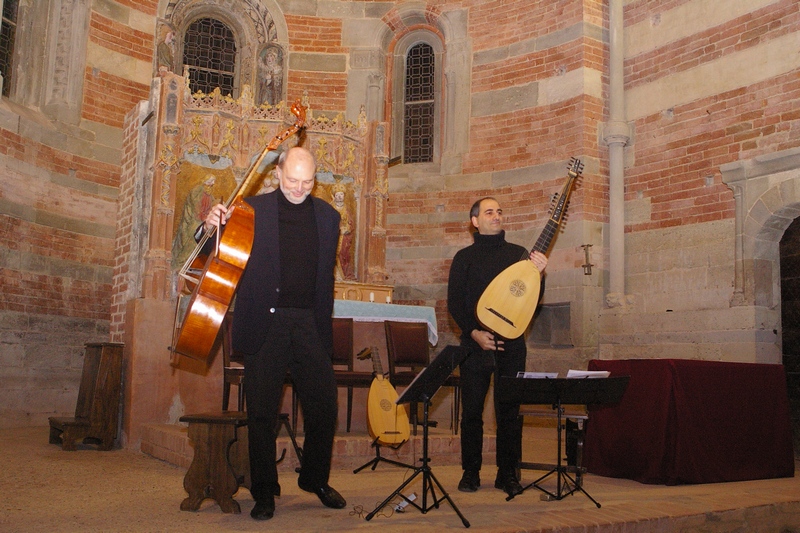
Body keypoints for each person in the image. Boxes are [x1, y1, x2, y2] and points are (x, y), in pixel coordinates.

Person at [201, 146, 346, 520]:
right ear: (278, 173)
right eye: (293, 180)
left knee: (325, 406)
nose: (299, 188)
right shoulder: (250, 210)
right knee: (262, 412)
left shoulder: (329, 217)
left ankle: (314, 478)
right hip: (266, 323)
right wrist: (209, 227)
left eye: (308, 181)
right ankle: (264, 490)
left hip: (310, 324)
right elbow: (207, 255)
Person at [447, 197, 548, 497]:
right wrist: (474, 332)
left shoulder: (519, 255)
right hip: (475, 344)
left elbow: (530, 301)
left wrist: (540, 276)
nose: (496, 216)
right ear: (475, 221)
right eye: (489, 212)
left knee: (509, 412)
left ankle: (508, 474)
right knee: (472, 413)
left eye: (500, 211)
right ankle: (471, 473)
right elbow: (455, 302)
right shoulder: (463, 257)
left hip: (512, 344)